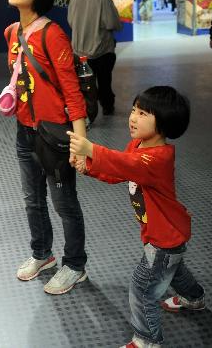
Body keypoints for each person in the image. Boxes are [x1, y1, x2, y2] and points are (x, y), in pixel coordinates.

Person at [67, 86, 206, 348]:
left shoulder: (158, 158)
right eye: (133, 110)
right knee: (173, 271)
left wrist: (91, 149)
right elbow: (119, 171)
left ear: (163, 124)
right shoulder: (138, 145)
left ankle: (147, 339)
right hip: (165, 234)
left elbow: (125, 164)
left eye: (143, 113)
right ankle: (194, 298)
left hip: (163, 238)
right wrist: (88, 166)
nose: (133, 117)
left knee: (142, 288)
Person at [0, 0, 88, 295]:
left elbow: (72, 93)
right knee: (32, 200)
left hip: (55, 135)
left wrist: (81, 144)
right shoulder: (11, 32)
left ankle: (75, 265)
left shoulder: (53, 35)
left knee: (65, 204)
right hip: (25, 132)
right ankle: (42, 255)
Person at [68, 0, 122, 116]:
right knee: (105, 82)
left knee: (86, 84)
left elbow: (71, 22)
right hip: (102, 51)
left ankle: (89, 111)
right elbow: (112, 23)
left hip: (80, 53)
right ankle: (107, 107)